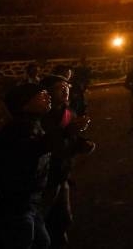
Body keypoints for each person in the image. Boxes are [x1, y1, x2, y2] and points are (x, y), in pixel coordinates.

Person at [0, 82, 53, 248]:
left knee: (42, 241)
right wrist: (66, 133)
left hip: (27, 202)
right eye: (42, 94)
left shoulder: (33, 123)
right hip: (12, 207)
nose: (48, 96)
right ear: (25, 103)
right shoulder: (18, 128)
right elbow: (29, 151)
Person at [39, 74, 95, 248]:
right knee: (38, 220)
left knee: (63, 218)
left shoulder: (69, 112)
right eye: (59, 87)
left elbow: (70, 139)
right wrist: (69, 131)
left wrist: (82, 144)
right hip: (43, 178)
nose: (65, 90)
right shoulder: (40, 117)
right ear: (46, 93)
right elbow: (45, 146)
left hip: (61, 174)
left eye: (67, 87)